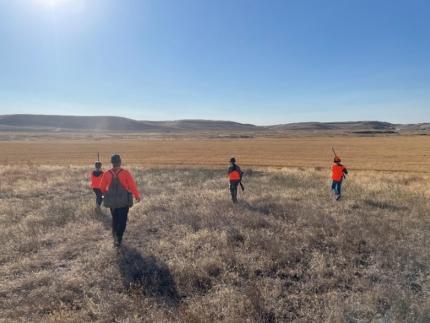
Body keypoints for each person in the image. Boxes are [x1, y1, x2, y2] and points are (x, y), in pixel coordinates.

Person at [99, 154, 141, 247]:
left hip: (112, 203)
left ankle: (115, 238)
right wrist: (137, 196)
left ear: (112, 162)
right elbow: (132, 185)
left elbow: (101, 188)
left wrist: (108, 193)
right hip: (124, 202)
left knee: (115, 219)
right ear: (120, 162)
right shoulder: (125, 173)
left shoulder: (106, 174)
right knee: (122, 220)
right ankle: (119, 238)